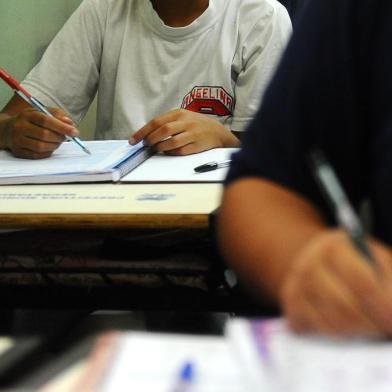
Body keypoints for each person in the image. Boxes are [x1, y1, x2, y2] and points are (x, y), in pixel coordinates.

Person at [218, 0, 392, 337]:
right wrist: (310, 264)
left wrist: (222, 135)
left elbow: (243, 137)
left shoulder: (261, 16)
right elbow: (262, 186)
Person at [0, 0, 291, 159]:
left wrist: (222, 137)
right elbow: (10, 119)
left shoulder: (261, 17)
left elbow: (277, 154)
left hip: (209, 218)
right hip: (116, 212)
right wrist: (12, 131)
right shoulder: (103, 9)